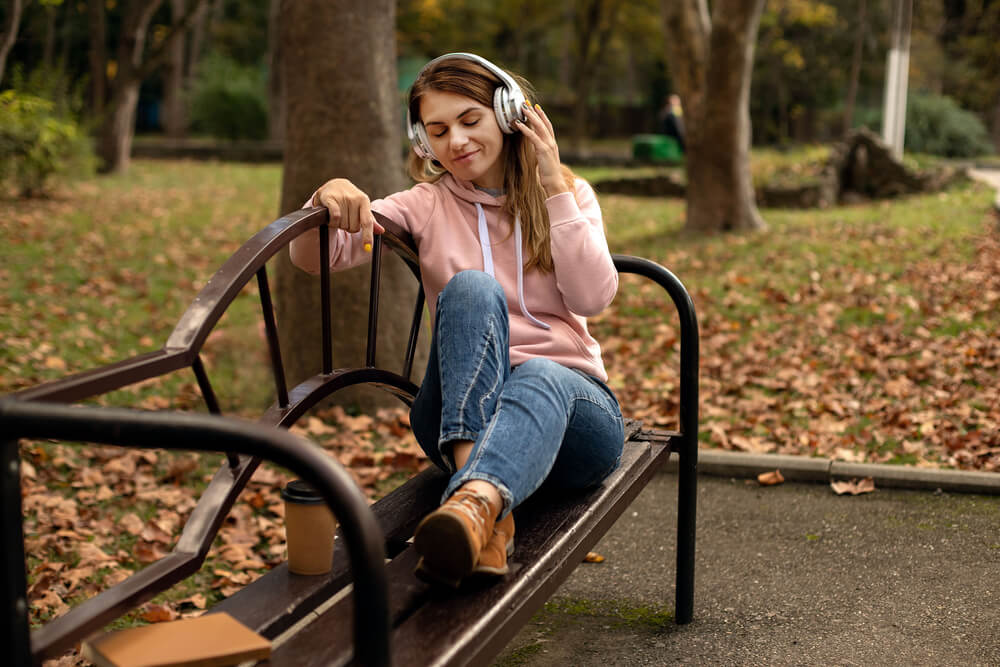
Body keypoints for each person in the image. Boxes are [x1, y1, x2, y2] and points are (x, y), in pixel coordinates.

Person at [289, 53, 624, 587]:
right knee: (470, 288)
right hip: (461, 419)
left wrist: (554, 186)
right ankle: (478, 504)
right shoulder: (424, 204)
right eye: (438, 130)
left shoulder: (567, 194)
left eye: (470, 121)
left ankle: (473, 507)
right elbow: (315, 259)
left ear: (509, 113)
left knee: (540, 373)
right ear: (423, 141)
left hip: (573, 423)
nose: (457, 142)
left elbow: (592, 297)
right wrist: (327, 196)